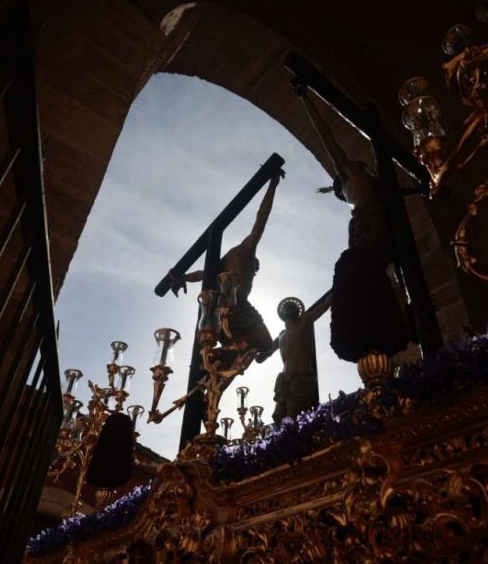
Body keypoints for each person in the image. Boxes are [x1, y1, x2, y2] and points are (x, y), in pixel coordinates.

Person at [295, 85, 409, 363]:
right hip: (368, 229)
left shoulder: (373, 179)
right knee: (366, 276)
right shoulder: (350, 176)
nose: (359, 165)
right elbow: (327, 138)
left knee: (392, 280)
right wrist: (306, 97)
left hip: (385, 225)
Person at [168, 177, 279, 354]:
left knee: (251, 348)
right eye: (255, 269)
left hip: (221, 309)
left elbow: (203, 274)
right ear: (253, 262)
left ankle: (235, 351)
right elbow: (261, 218)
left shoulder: (224, 262)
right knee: (265, 345)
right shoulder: (247, 249)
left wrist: (184, 278)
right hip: (231, 307)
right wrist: (273, 186)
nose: (255, 272)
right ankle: (233, 352)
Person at [268, 294, 331, 423]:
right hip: (284, 381)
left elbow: (324, 305)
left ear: (297, 311)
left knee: (293, 417)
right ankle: (281, 441)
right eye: (285, 307)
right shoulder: (281, 335)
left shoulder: (305, 321)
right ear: (281, 313)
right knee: (277, 416)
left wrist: (338, 287)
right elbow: (264, 350)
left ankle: (295, 440)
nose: (288, 308)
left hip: (302, 378)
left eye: (291, 306)